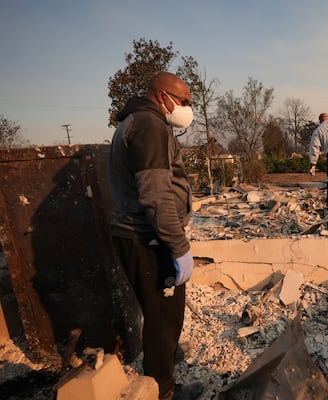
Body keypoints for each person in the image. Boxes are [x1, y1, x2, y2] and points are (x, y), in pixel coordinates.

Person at [108, 71, 194, 400]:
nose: (187, 108)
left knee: (162, 315)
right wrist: (178, 246)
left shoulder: (138, 121)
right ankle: (162, 391)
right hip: (147, 238)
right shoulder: (149, 125)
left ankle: (162, 375)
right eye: (183, 101)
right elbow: (156, 196)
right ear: (162, 96)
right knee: (162, 318)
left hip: (144, 235)